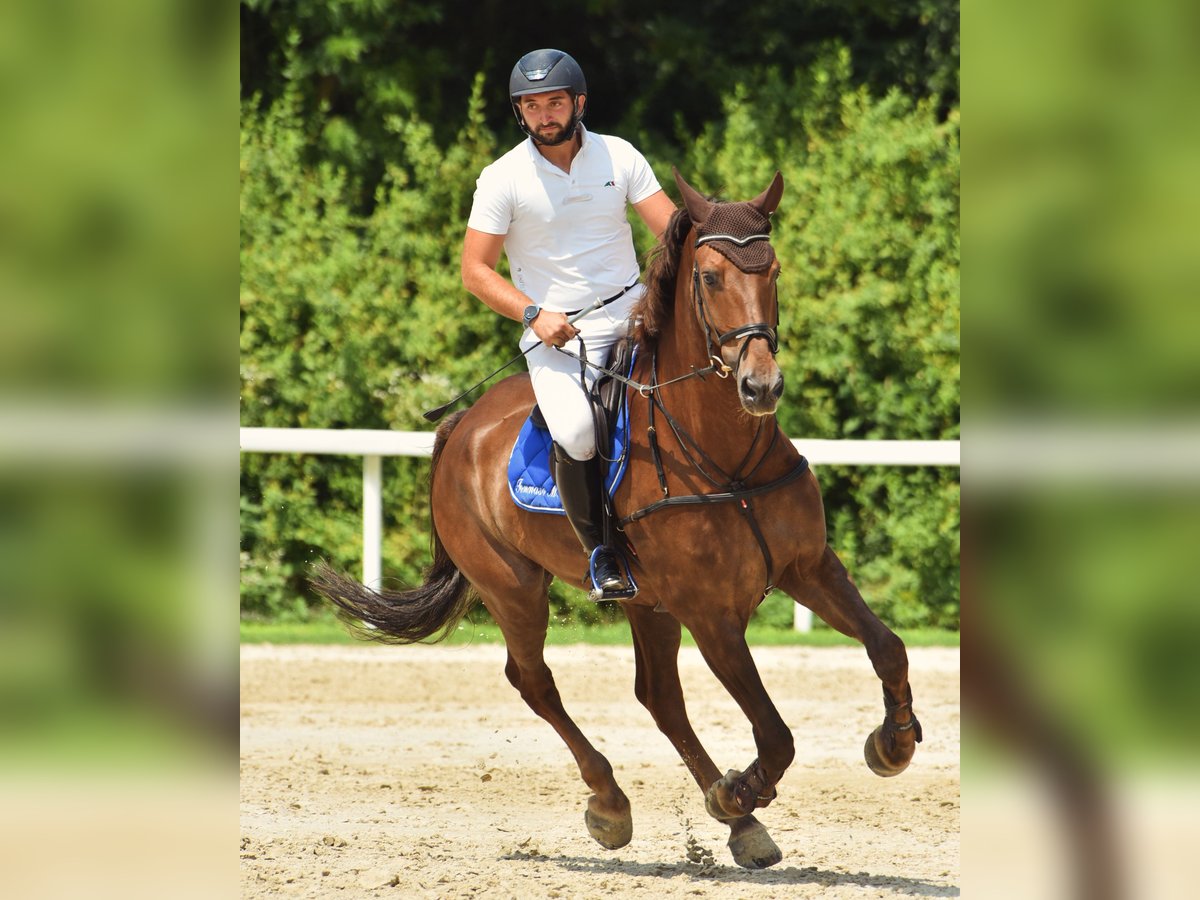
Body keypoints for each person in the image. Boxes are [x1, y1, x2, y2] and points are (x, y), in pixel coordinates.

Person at [461, 48, 675, 598]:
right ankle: (603, 551)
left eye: (554, 102)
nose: (544, 115)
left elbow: (672, 233)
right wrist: (534, 313)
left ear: (578, 102)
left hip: (634, 315)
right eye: (532, 106)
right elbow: (475, 271)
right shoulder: (502, 177)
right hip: (557, 334)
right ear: (520, 113)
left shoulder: (620, 156)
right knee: (578, 434)